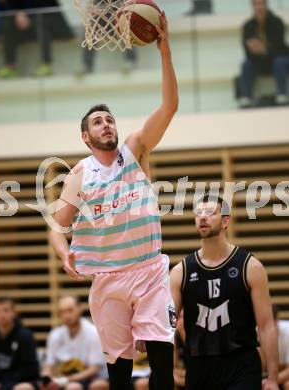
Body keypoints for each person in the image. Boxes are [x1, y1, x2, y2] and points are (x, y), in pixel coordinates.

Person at [49, 11, 178, 390]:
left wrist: (164, 51)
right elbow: (58, 227)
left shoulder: (136, 149)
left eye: (109, 119)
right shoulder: (79, 175)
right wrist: (62, 253)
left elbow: (169, 107)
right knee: (119, 375)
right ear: (86, 137)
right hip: (108, 280)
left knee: (163, 368)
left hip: (150, 271)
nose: (107, 124)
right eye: (98, 122)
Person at [170, 193, 279, 390]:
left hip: (241, 364)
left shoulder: (250, 266)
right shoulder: (181, 271)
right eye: (198, 213)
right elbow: (167, 327)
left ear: (226, 221)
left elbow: (266, 325)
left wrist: (272, 377)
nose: (202, 217)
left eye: (210, 212)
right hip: (199, 367)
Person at [41, 295, 107, 390]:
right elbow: (48, 365)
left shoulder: (93, 333)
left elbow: (94, 369)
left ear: (80, 309)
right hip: (64, 378)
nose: (66, 315)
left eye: (70, 310)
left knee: (73, 387)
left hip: (92, 379)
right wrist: (46, 378)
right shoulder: (55, 335)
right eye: (62, 312)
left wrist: (66, 379)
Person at [238, 0, 289, 108]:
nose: (259, 7)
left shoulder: (276, 22)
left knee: (279, 62)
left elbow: (281, 47)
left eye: (261, 3)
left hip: (277, 57)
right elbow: (247, 50)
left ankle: (282, 94)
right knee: (246, 64)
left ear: (266, 5)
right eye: (256, 4)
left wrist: (265, 49)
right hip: (259, 59)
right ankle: (246, 97)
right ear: (252, 6)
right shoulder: (248, 25)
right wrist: (255, 50)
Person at [260, 306, 289, 389]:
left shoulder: (287, 331)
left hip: (282, 376)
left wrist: (271, 380)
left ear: (276, 321)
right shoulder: (254, 333)